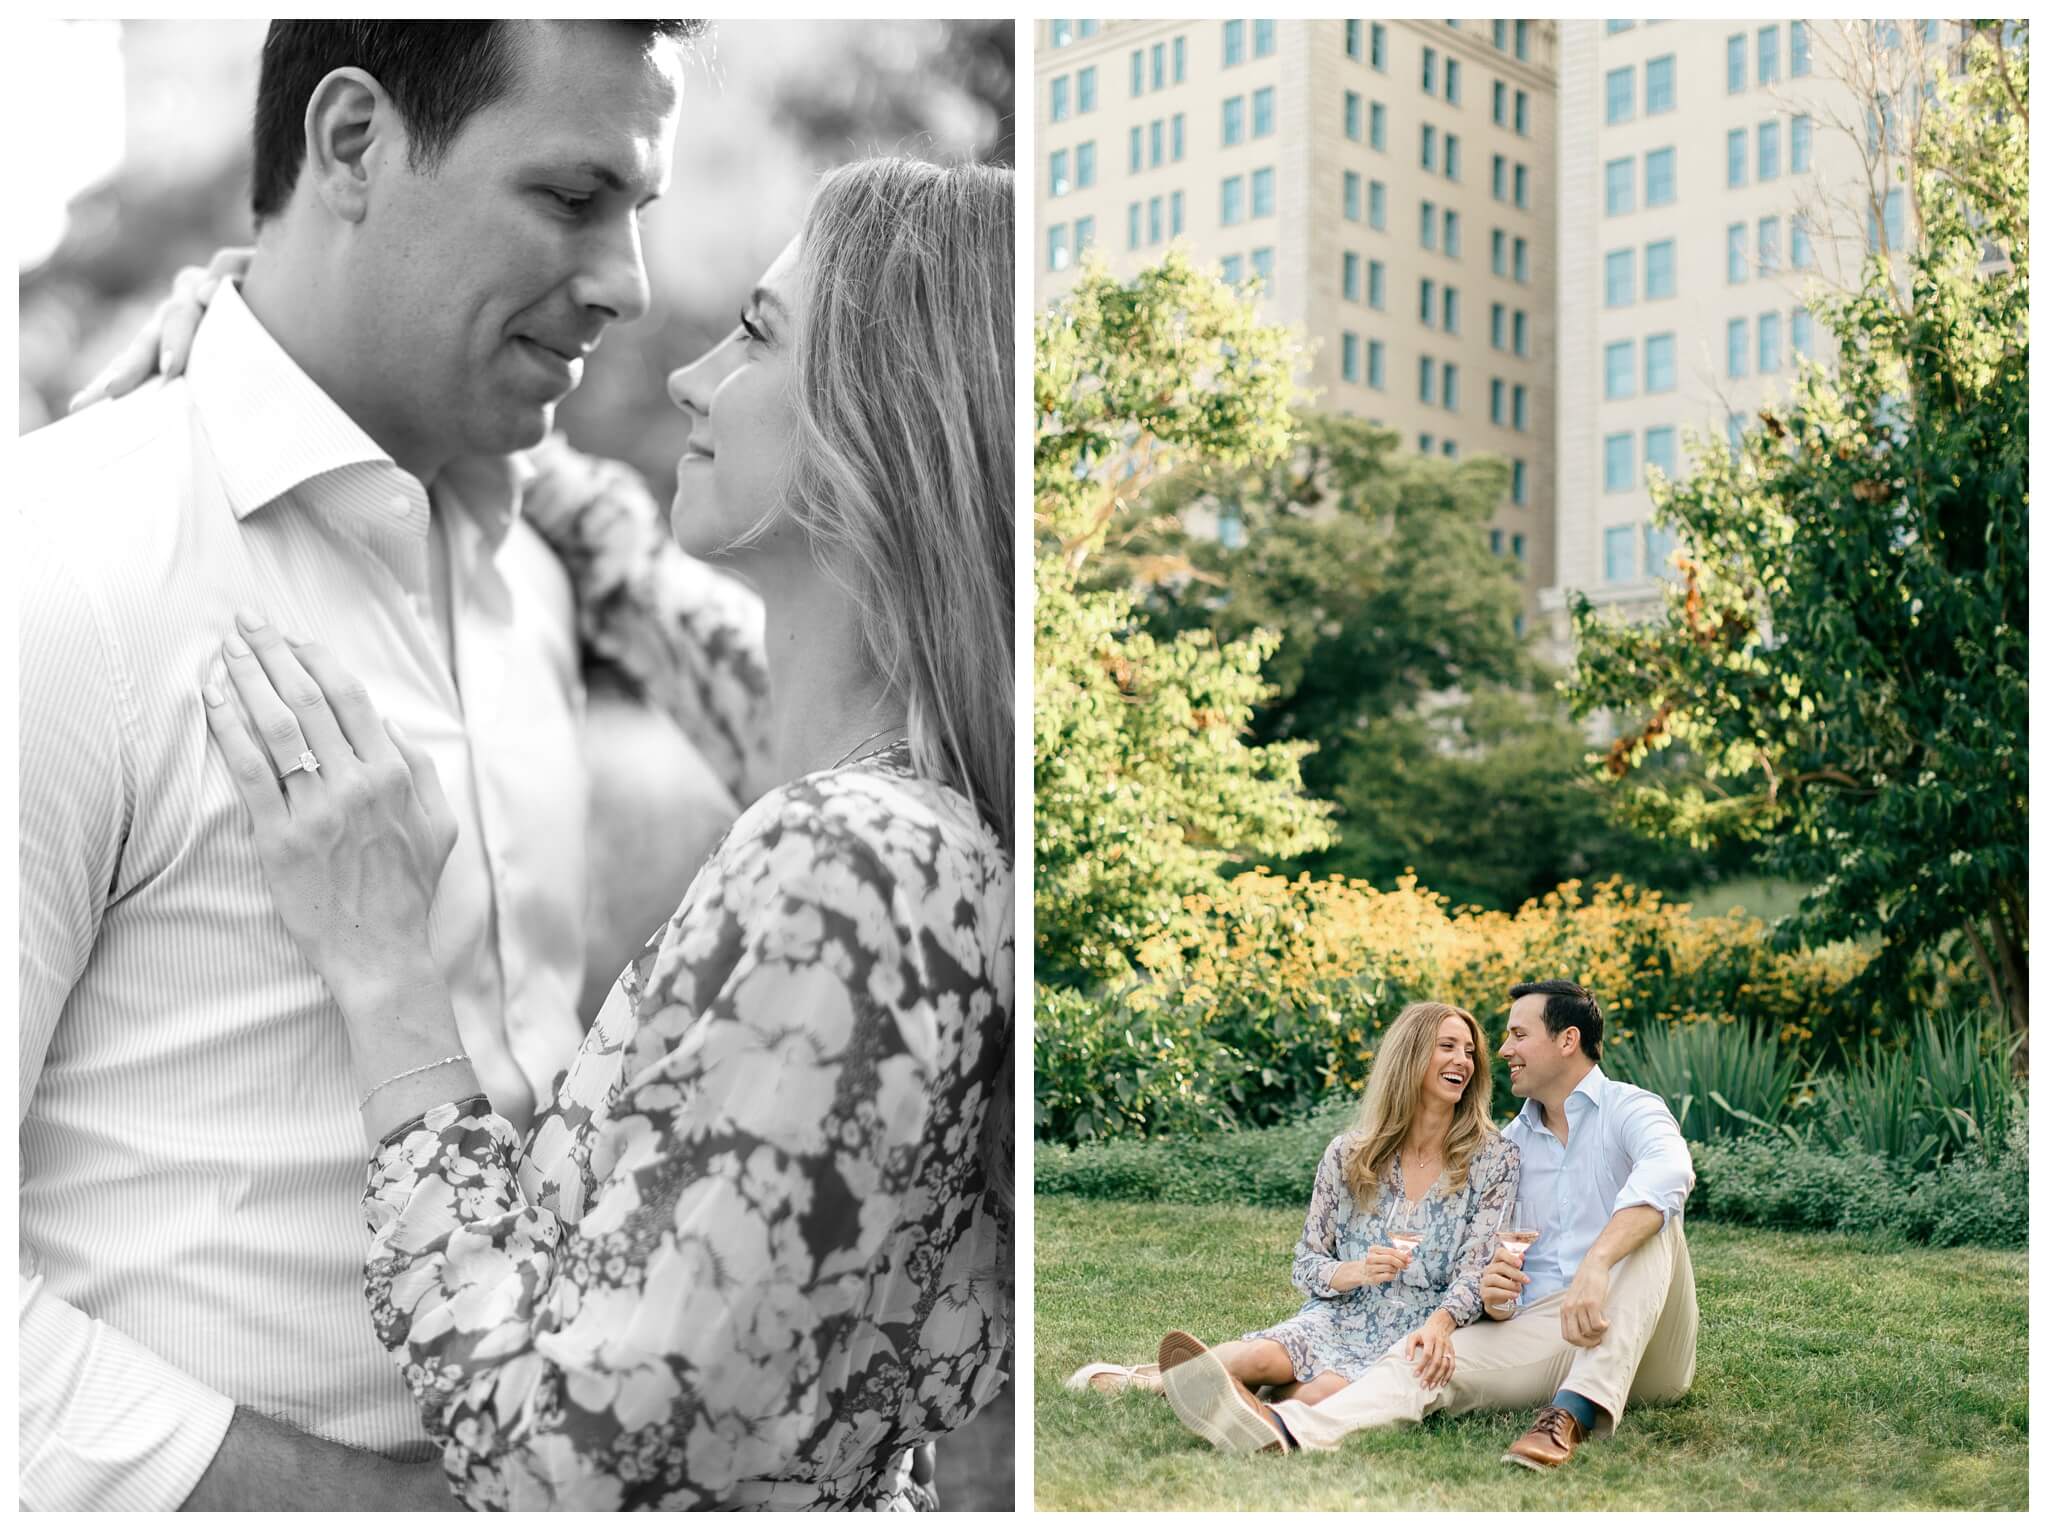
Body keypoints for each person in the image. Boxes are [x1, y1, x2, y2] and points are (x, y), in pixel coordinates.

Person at [17, 21, 766, 1512]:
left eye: (643, 210)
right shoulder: (61, 568)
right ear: (353, 143)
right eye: (570, 199)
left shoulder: (533, 570)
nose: (627, 281)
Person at [197, 154, 1015, 1510]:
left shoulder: (858, 866)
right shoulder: (903, 799)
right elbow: (670, 617)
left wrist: (389, 970)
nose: (693, 373)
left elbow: (574, 1473)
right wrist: (287, 344)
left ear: (884, 423)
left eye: (758, 332)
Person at [1159, 979, 1697, 1469]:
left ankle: (1571, 1414)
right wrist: (1497, 1294)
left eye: (1516, 1035)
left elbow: (1672, 1171)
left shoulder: (1630, 1110)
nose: (1502, 1049)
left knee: (1655, 1223)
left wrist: (1598, 1264)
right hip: (1549, 1332)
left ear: (1566, 1039)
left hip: (1646, 1344)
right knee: (1416, 1356)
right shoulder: (1510, 1148)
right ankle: (1286, 1425)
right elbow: (1498, 1266)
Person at [1069, 1002, 1517, 1433]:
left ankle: (1240, 1406)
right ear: (1410, 1055)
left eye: (1469, 1050)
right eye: (1448, 1046)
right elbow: (1306, 1263)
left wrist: (1440, 1325)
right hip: (1341, 1314)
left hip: (1415, 1329)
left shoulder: (1494, 1159)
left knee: (1316, 1397)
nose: (1465, 1060)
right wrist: (1357, 1271)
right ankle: (1150, 1383)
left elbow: (1476, 1270)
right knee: (1262, 1359)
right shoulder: (1349, 1154)